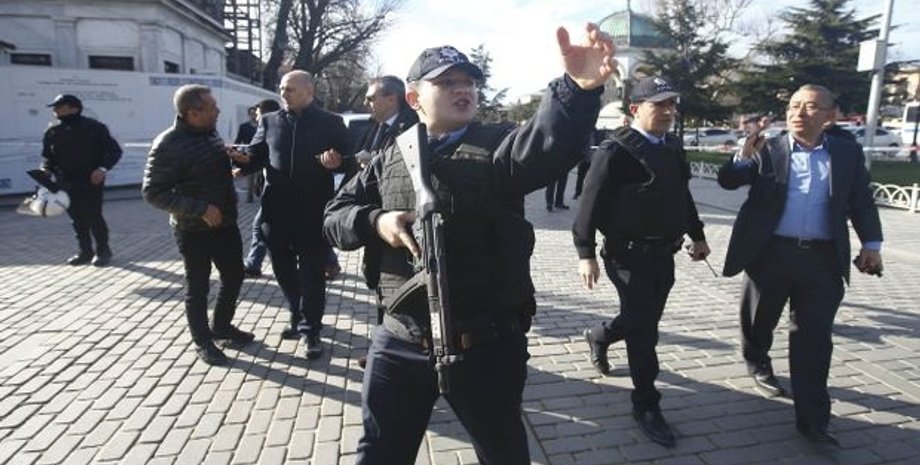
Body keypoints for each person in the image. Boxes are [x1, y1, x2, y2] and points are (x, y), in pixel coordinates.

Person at [324, 24, 615, 465]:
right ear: (414, 97)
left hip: (485, 346)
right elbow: (334, 215)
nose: (463, 90)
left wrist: (577, 89)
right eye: (446, 83)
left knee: (503, 453)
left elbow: (546, 143)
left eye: (469, 82)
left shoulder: (499, 146)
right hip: (400, 342)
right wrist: (376, 221)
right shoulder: (389, 156)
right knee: (379, 453)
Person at [718, 84, 883, 446]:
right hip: (770, 254)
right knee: (759, 320)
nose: (798, 113)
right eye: (793, 106)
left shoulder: (846, 153)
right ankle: (757, 361)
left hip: (823, 260)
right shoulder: (768, 148)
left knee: (814, 339)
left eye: (809, 107)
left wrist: (871, 245)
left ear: (830, 116)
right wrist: (743, 156)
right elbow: (727, 181)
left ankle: (813, 420)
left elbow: (861, 200)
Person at [575, 76, 711, 448]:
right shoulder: (614, 151)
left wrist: (698, 235)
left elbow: (682, 197)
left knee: (643, 319)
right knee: (644, 331)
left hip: (664, 255)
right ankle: (646, 403)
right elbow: (588, 205)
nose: (668, 111)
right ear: (636, 109)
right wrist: (585, 253)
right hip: (626, 257)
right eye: (658, 105)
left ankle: (600, 335)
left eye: (671, 104)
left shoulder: (672, 147)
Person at [239, 70, 351, 359]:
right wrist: (242, 161)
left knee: (312, 274)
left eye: (290, 89)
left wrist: (337, 162)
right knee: (282, 269)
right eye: (281, 88)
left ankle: (311, 331)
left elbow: (349, 162)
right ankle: (296, 312)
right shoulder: (269, 121)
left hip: (313, 211)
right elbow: (256, 155)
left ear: (309, 92)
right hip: (275, 210)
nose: (283, 93)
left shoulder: (331, 122)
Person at [142, 84, 255, 365]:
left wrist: (232, 160)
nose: (218, 111)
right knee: (198, 287)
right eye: (212, 107)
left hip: (225, 223)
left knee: (234, 275)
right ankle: (203, 341)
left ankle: (222, 326)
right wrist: (200, 209)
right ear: (193, 113)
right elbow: (153, 193)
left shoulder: (210, 134)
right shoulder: (168, 144)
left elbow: (205, 170)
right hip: (193, 230)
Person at [353, 75, 419, 369]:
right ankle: (383, 346)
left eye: (371, 98)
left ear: (392, 98)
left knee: (399, 289)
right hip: (377, 217)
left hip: (401, 218)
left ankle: (396, 351)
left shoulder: (412, 127)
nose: (367, 103)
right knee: (380, 282)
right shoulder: (376, 128)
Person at [40, 94, 122, 266]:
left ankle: (103, 251)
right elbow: (48, 158)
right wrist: (46, 169)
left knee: (93, 215)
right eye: (54, 106)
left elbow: (114, 151)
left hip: (90, 180)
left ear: (74, 108)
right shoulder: (53, 131)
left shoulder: (94, 127)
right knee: (76, 218)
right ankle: (85, 251)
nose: (55, 109)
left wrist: (102, 169)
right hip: (65, 181)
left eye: (59, 106)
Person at [241, 99, 282, 278]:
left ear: (265, 114)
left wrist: (243, 162)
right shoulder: (276, 128)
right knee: (260, 226)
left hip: (279, 190)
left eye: (258, 114)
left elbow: (260, 156)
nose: (256, 118)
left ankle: (253, 264)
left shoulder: (271, 129)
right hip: (276, 189)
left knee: (260, 226)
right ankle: (254, 264)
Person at [235, 106, 260, 203]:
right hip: (248, 153)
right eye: (251, 113)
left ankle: (257, 188)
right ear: (249, 115)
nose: (254, 115)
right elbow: (238, 140)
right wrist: (234, 150)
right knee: (250, 175)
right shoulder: (244, 126)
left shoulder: (261, 126)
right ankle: (250, 197)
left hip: (260, 153)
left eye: (255, 113)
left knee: (259, 176)